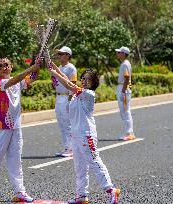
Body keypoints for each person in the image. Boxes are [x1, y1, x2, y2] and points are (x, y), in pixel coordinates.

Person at [48, 63, 120, 204]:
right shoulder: (76, 95)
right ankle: (81, 196)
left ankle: (111, 190)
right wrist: (54, 67)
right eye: (83, 78)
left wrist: (54, 73)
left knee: (94, 162)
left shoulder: (88, 94)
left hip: (86, 135)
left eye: (88, 79)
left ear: (93, 83)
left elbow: (69, 85)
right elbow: (67, 80)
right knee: (80, 167)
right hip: (76, 136)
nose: (84, 80)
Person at [0, 57, 42, 202]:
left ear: (11, 67)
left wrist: (37, 65)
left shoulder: (17, 81)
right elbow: (13, 81)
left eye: (6, 65)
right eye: (0, 66)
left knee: (16, 161)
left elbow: (32, 78)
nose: (3, 68)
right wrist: (31, 68)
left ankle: (20, 192)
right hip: (2, 127)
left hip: (16, 126)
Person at [53, 46, 77, 157]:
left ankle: (72, 148)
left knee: (67, 124)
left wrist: (70, 100)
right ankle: (67, 147)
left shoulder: (71, 68)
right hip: (58, 97)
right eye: (59, 54)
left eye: (62, 54)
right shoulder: (59, 67)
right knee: (62, 124)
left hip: (66, 97)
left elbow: (73, 85)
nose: (60, 56)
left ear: (68, 55)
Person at [115, 46, 136, 141]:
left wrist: (123, 91)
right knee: (125, 111)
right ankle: (129, 132)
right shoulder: (124, 63)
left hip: (124, 88)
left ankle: (129, 133)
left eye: (119, 52)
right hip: (123, 87)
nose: (117, 54)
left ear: (123, 54)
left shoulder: (125, 64)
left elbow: (127, 78)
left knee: (125, 111)